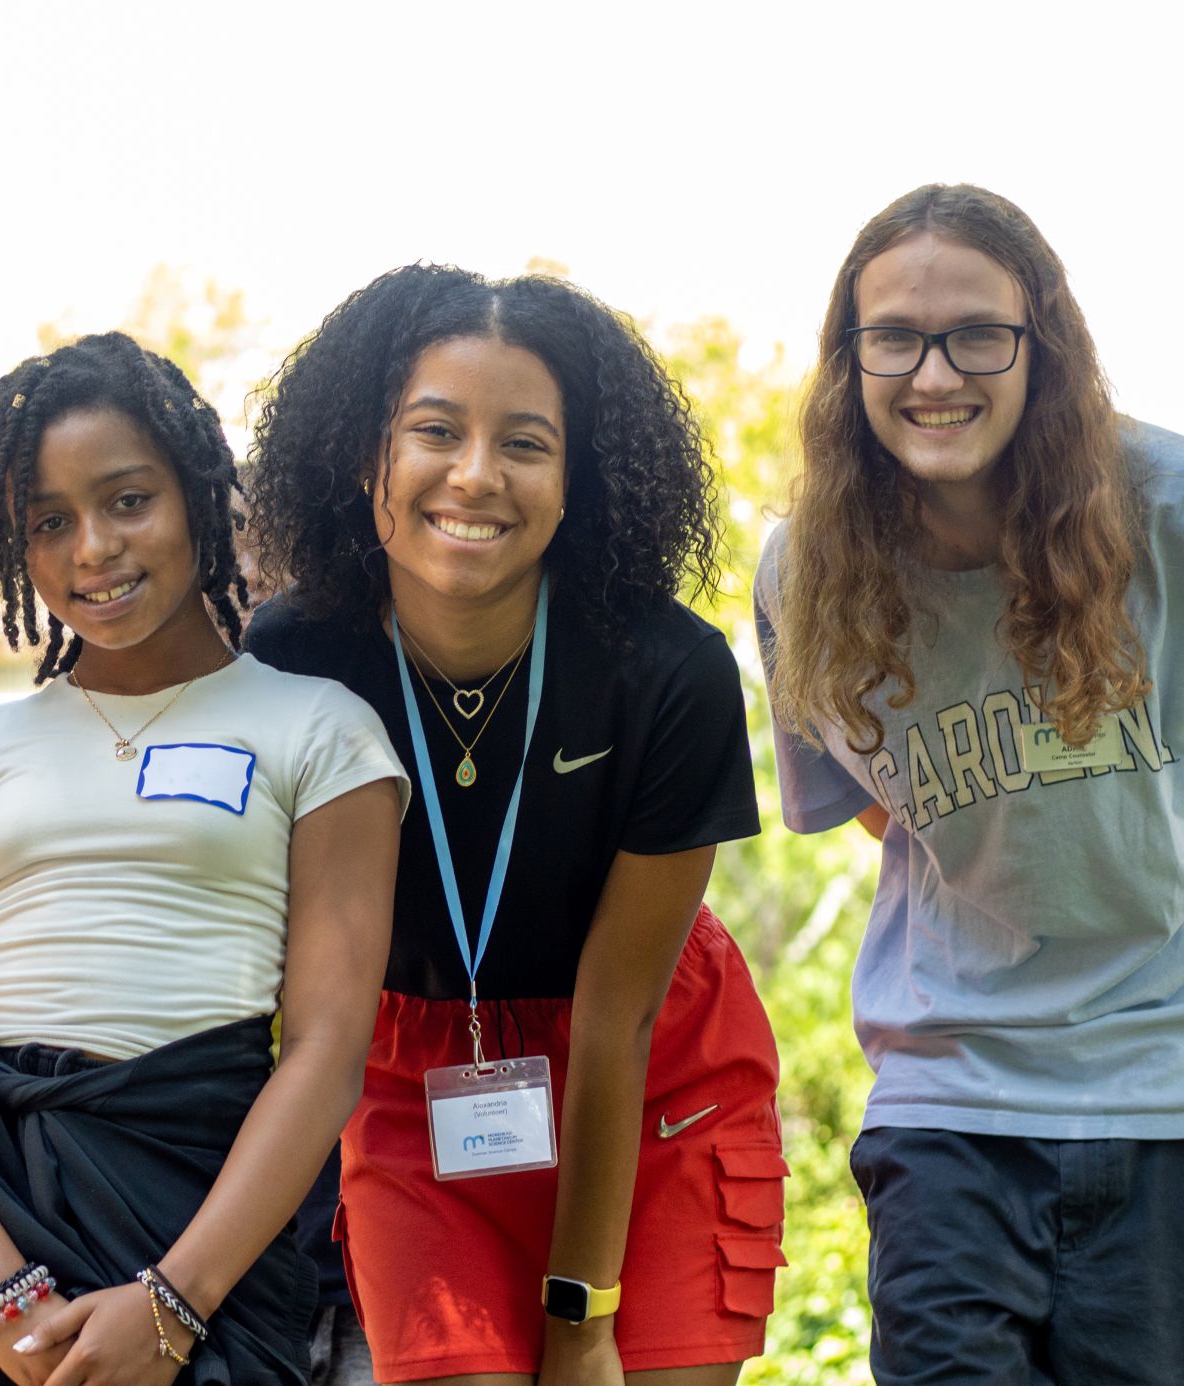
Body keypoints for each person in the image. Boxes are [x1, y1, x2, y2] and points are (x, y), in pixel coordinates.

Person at [244, 265, 783, 1386]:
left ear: (576, 479)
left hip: (651, 1080)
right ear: (365, 456)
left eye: (526, 443)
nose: (475, 476)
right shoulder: (291, 659)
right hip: (412, 1085)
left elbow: (616, 1013)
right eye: (433, 430)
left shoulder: (666, 669)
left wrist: (580, 1317)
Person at [756, 181, 1184, 1383]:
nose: (934, 375)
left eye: (977, 334)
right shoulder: (803, 574)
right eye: (893, 339)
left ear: (1042, 346)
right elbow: (882, 811)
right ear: (847, 358)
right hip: (950, 1103)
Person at [0, 331, 408, 1386]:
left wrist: (173, 1303)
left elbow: (326, 1051)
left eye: (126, 500)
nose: (91, 548)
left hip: (198, 1215)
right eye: (48, 522)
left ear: (197, 496)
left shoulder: (320, 730)